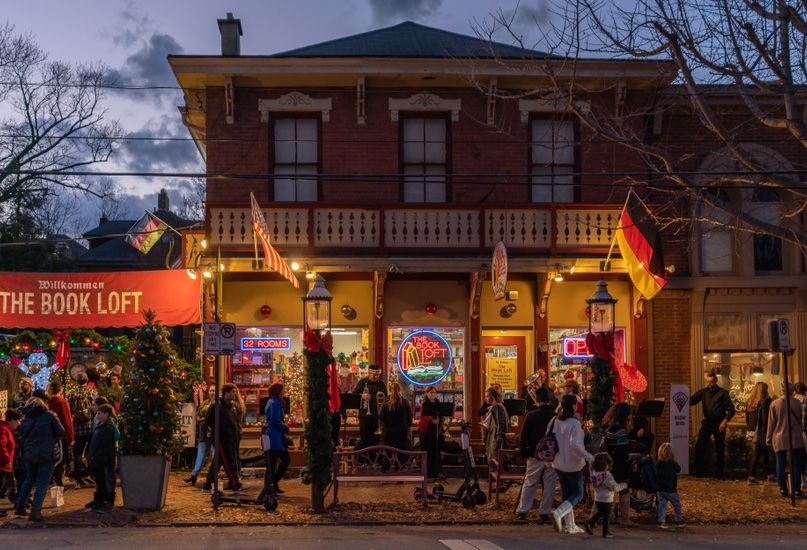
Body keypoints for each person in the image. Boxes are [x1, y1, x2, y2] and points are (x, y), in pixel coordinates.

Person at [14, 397, 65, 521]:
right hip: (47, 452)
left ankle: (20, 506)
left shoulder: (25, 418)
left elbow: (22, 433)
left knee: (29, 479)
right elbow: (60, 431)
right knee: (43, 482)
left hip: (30, 453)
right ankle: (36, 511)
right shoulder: (50, 415)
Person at [550, 394, 594, 535]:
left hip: (558, 462)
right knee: (578, 494)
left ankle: (570, 525)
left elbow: (548, 439)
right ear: (574, 406)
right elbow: (575, 445)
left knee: (567, 494)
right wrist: (589, 457)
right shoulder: (574, 424)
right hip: (573, 463)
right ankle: (558, 513)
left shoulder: (555, 421)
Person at [515, 386, 558, 523]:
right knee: (550, 484)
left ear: (537, 402)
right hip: (551, 454)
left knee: (530, 481)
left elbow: (524, 435)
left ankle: (523, 510)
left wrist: (523, 451)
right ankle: (544, 511)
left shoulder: (532, 415)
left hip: (534, 453)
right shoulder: (555, 416)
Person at [690, 371, 735, 479]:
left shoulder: (723, 393)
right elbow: (692, 400)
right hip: (707, 423)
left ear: (716, 381)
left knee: (719, 448)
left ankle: (719, 472)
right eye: (708, 381)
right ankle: (699, 470)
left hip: (719, 423)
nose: (710, 384)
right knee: (699, 445)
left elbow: (731, 410)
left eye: (712, 381)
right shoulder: (704, 392)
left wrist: (725, 421)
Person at [202, 383, 245, 494]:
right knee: (228, 461)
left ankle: (208, 484)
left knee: (218, 461)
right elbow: (209, 420)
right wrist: (220, 430)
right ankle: (235, 484)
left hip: (231, 438)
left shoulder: (231, 406)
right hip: (222, 439)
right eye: (233, 392)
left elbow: (235, 421)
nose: (235, 394)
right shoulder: (217, 405)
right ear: (227, 393)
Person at [766, 381, 806, 498]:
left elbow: (771, 423)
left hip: (780, 436)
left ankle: (783, 488)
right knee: (796, 464)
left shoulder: (775, 404)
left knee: (781, 463)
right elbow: (800, 418)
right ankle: (797, 489)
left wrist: (768, 438)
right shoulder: (798, 403)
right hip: (795, 436)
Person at [601, 401, 637, 527]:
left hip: (606, 463)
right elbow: (622, 451)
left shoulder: (605, 426)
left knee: (604, 490)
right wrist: (632, 462)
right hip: (620, 466)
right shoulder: (620, 431)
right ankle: (624, 518)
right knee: (624, 490)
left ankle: (597, 516)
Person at [66, 372, 98, 488]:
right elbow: (96, 409)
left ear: (76, 381)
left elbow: (68, 409)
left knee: (77, 454)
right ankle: (90, 474)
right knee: (91, 452)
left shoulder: (71, 394)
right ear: (87, 380)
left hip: (77, 427)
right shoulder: (92, 393)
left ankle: (78, 479)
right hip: (89, 427)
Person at [584, 452, 625, 537]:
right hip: (607, 499)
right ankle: (605, 532)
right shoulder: (607, 476)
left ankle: (590, 522)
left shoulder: (593, 472)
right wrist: (624, 485)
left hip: (598, 497)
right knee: (607, 516)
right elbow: (614, 487)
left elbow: (590, 465)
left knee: (600, 512)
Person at [86, 404, 117, 512]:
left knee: (105, 480)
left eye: (100, 413)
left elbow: (105, 446)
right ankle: (99, 500)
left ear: (107, 414)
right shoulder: (100, 426)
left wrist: (97, 456)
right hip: (97, 459)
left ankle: (108, 501)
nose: (97, 415)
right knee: (99, 480)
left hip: (104, 460)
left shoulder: (108, 428)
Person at [184, 387, 216, 487]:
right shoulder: (205, 402)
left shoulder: (218, 403)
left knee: (215, 456)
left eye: (214, 391)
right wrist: (199, 420)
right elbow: (198, 414)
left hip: (215, 433)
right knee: (200, 455)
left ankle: (213, 477)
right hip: (204, 432)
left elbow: (211, 414)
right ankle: (194, 475)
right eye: (210, 391)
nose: (212, 392)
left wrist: (206, 416)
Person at [263, 383, 290, 496]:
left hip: (274, 436)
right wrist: (284, 428)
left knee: (273, 463)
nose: (283, 392)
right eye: (282, 390)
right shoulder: (275, 403)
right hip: (275, 437)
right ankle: (271, 485)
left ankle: (271, 486)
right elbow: (275, 419)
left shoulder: (272, 401)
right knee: (282, 460)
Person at [351, 364, 387, 449]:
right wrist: (361, 396)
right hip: (365, 416)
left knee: (375, 441)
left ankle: (374, 460)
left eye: (377, 375)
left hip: (376, 417)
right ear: (369, 373)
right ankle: (365, 461)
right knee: (365, 440)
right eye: (374, 374)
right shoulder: (362, 383)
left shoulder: (381, 384)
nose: (376, 377)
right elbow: (353, 396)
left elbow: (386, 398)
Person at [45, 381, 73, 488]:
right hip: (60, 436)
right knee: (61, 458)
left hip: (50, 435)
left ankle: (56, 480)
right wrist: (70, 437)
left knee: (54, 457)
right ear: (60, 390)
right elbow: (67, 421)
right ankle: (57, 479)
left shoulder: (47, 403)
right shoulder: (62, 403)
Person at [746, 381, 773, 485]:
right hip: (760, 430)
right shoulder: (764, 401)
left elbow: (747, 417)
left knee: (764, 451)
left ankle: (769, 474)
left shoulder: (750, 401)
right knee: (757, 454)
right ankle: (751, 476)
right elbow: (765, 418)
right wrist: (767, 430)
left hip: (752, 429)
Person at [0, 408, 23, 517]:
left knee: (2, 485)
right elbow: (1, 446)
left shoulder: (7, 429)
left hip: (4, 463)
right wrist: (7, 459)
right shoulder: (4, 429)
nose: (19, 423)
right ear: (12, 419)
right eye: (18, 420)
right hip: (2, 464)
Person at [656, 442, 685, 528]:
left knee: (662, 504)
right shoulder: (673, 464)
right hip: (671, 488)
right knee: (676, 504)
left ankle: (661, 520)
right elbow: (679, 470)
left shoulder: (658, 464)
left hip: (661, 488)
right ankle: (679, 519)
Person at [418, 386, 445, 480]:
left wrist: (441, 418)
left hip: (436, 429)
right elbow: (423, 416)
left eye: (434, 393)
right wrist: (432, 420)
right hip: (426, 429)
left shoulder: (438, 403)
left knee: (436, 450)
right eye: (431, 393)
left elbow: (441, 414)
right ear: (427, 393)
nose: (433, 394)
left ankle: (436, 471)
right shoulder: (424, 404)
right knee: (427, 450)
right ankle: (427, 471)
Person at [379, 381, 413, 450]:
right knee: (401, 454)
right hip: (401, 431)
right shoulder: (405, 402)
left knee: (387, 454)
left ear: (389, 390)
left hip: (387, 431)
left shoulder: (386, 401)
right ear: (400, 390)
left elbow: (381, 416)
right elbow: (409, 419)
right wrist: (409, 430)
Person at [484, 385, 509, 466]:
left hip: (495, 437)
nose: (486, 399)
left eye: (487, 396)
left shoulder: (497, 406)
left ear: (493, 397)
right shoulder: (497, 406)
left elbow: (500, 423)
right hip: (494, 435)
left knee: (494, 459)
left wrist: (498, 438)